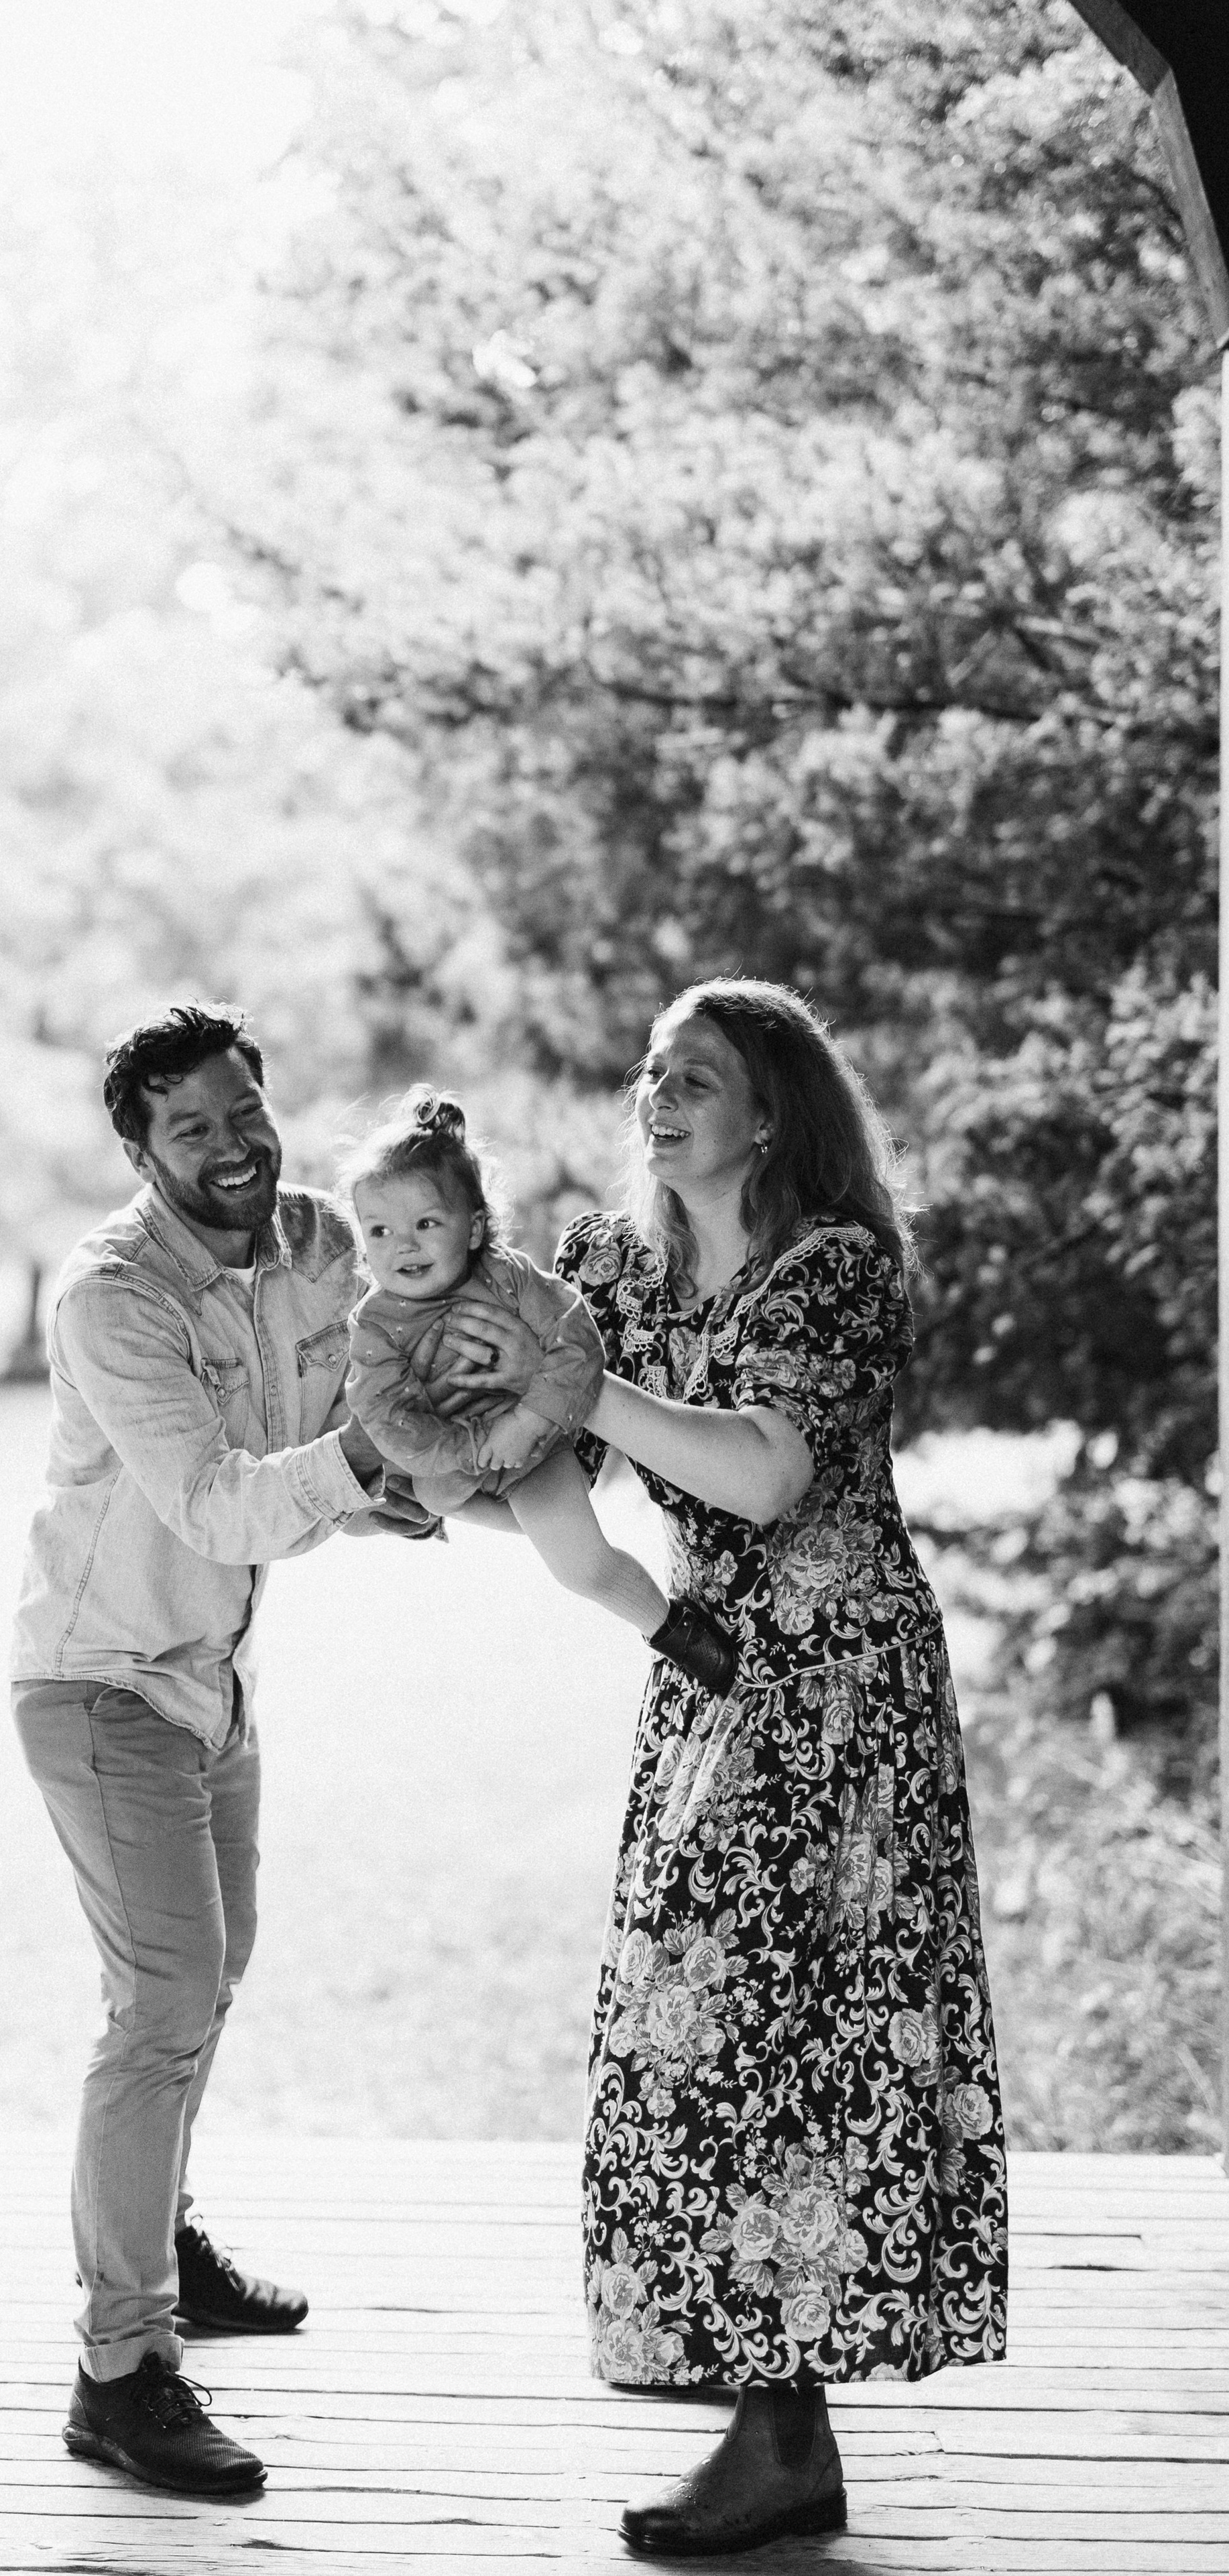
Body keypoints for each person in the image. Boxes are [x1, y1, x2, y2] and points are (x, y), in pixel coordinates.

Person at [436, 978, 1007, 2559]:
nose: (653, 1093)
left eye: (691, 1074)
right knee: (695, 2019)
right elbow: (557, 1481)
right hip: (706, 1669)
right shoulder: (609, 1270)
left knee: (803, 2023)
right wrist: (437, 1437)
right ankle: (766, 2401)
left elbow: (760, 1471)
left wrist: (572, 1381)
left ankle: (783, 2430)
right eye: (645, 1070)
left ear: (767, 1110)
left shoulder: (833, 1264)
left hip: (838, 1685)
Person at [10, 1001, 431, 2501]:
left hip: (212, 1679)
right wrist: (369, 1470)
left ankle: (161, 2237)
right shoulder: (109, 1297)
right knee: (162, 1999)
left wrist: (429, 1457)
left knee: (213, 1971)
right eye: (191, 1127)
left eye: (244, 1109)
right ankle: (117, 2372)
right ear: (139, 1148)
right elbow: (214, 1501)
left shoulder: (317, 1244)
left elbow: (393, 1354)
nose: (234, 1144)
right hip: (101, 1679)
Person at [341, 1086, 736, 1685]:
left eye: (426, 1223)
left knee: (579, 1566)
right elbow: (384, 1411)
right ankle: (498, 1511)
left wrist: (523, 1423)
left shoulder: (508, 1279)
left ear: (474, 1229)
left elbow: (579, 1345)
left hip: (535, 1447)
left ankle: (673, 1630)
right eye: (379, 1231)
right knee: (427, 1491)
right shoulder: (376, 1322)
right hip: (452, 1456)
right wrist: (471, 1448)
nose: (404, 1245)